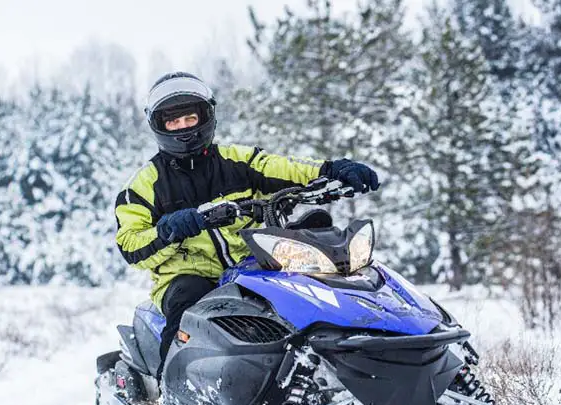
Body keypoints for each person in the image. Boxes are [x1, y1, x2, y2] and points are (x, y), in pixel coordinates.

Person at [114, 71, 379, 378]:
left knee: (305, 289)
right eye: (173, 122)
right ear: (159, 126)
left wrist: (332, 169)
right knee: (186, 300)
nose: (184, 128)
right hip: (188, 275)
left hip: (252, 261)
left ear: (206, 116)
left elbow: (283, 168)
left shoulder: (236, 159)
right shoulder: (144, 184)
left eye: (190, 118)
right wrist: (171, 228)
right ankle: (171, 390)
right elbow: (130, 245)